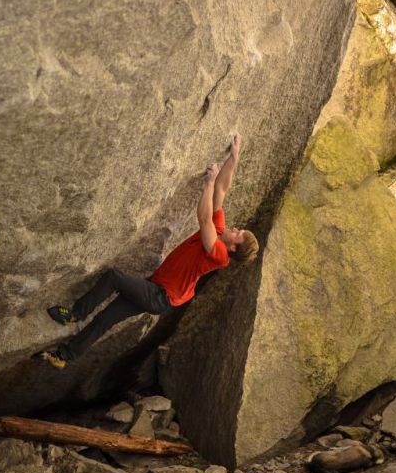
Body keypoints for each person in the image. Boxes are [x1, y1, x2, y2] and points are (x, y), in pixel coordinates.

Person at [34, 134, 258, 369]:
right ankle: (64, 356)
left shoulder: (220, 255)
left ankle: (74, 314)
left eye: (238, 233)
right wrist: (234, 156)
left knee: (113, 277)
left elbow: (203, 218)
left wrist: (208, 183)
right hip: (155, 287)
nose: (234, 228)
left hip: (159, 296)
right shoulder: (220, 229)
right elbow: (222, 189)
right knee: (106, 318)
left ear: (233, 247)